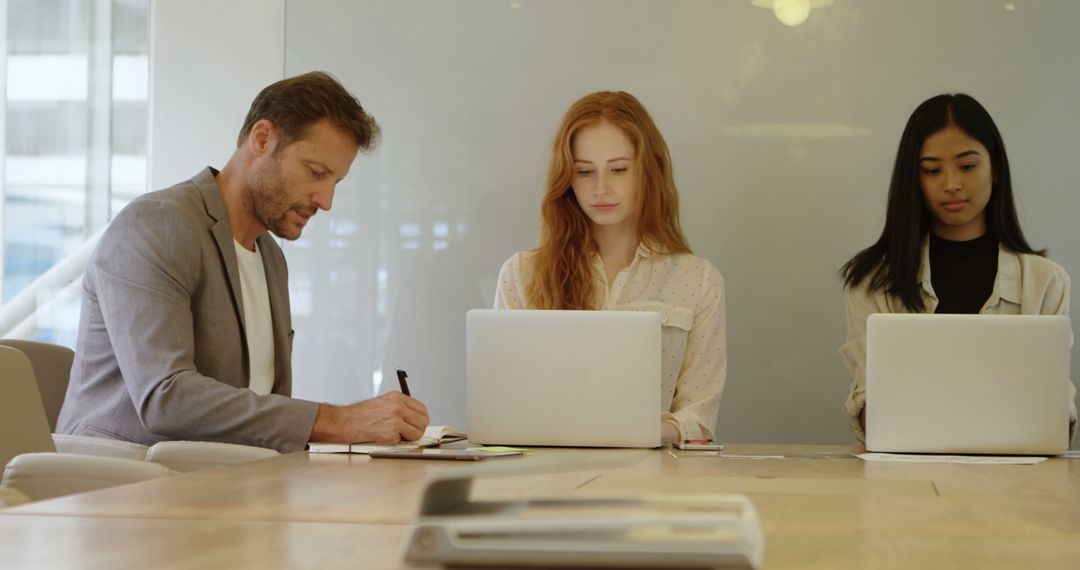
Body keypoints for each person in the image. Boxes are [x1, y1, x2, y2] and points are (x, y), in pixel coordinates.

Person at [56, 72, 429, 453]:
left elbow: (256, 415)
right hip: (120, 483)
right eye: (316, 173)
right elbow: (165, 397)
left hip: (220, 481)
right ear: (262, 139)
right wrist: (337, 422)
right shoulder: (157, 224)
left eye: (336, 182)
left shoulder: (270, 258)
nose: (326, 200)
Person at [838, 93, 1076, 442]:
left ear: (995, 169)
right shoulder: (872, 282)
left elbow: (1056, 419)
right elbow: (875, 414)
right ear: (912, 180)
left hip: (1018, 484)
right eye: (932, 170)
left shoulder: (1044, 282)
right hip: (902, 483)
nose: (951, 183)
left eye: (967, 166)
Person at [493, 91, 726, 443]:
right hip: (544, 483)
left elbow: (699, 419)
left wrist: (618, 433)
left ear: (649, 172)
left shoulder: (698, 279)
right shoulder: (521, 274)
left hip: (655, 484)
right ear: (566, 179)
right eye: (584, 172)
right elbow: (503, 407)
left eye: (618, 169)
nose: (601, 188)